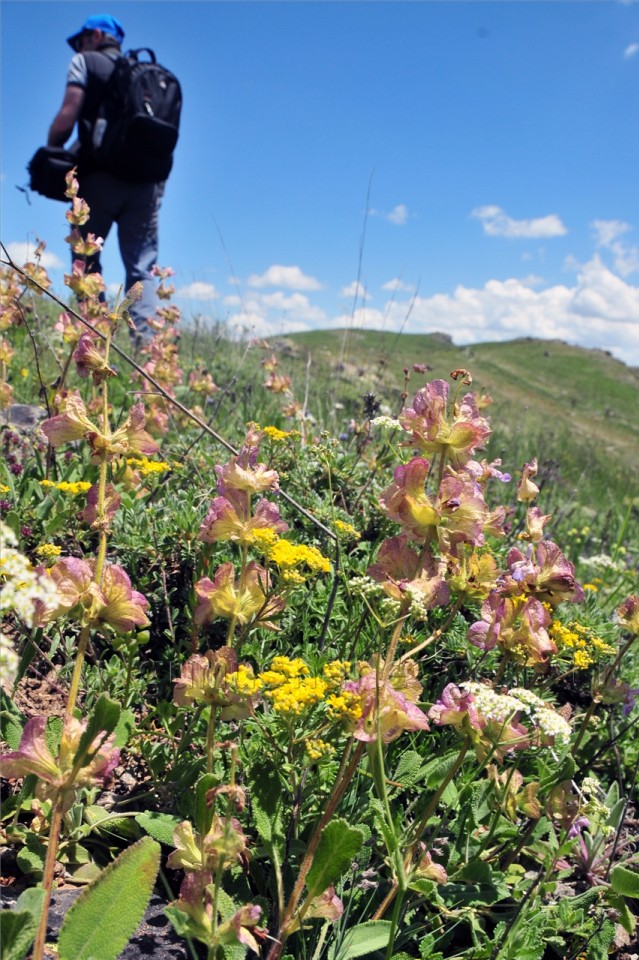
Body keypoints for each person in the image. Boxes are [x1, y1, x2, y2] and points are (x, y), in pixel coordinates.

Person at [47, 13, 164, 343]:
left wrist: (52, 151)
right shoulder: (144, 76)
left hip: (99, 177)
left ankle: (91, 344)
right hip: (146, 185)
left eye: (82, 39)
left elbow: (68, 112)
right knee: (142, 270)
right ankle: (146, 354)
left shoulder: (85, 61)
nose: (79, 46)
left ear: (97, 35)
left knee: (86, 256)